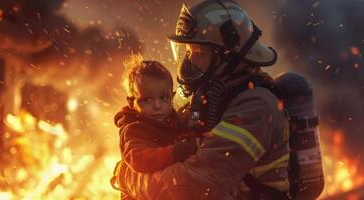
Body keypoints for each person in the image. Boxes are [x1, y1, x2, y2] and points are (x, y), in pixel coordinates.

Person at [115, 1, 291, 200]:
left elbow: (190, 187)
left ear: (227, 55)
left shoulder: (256, 107)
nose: (188, 62)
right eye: (188, 52)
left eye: (199, 53)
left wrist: (128, 178)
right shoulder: (214, 96)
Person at [111, 55, 198, 200]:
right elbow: (138, 159)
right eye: (147, 99)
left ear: (172, 96)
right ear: (131, 102)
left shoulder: (173, 119)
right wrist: (173, 153)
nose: (157, 106)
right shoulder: (134, 129)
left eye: (163, 98)